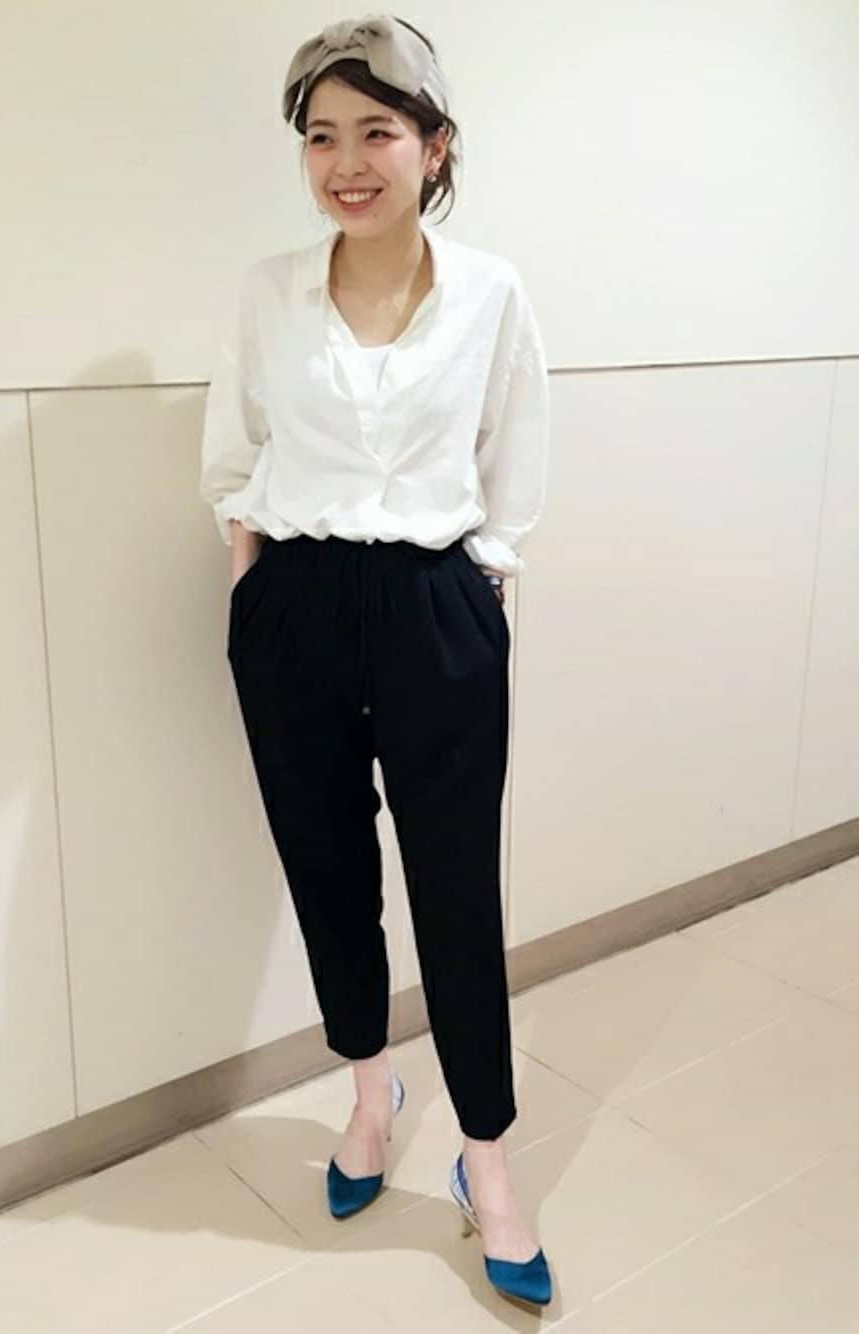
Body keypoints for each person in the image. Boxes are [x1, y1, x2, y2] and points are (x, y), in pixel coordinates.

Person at [199, 13, 552, 1311]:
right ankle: (368, 1092)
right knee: (327, 869)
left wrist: (477, 588)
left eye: (377, 131)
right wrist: (257, 580)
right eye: (322, 136)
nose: (347, 162)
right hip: (295, 602)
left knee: (457, 888)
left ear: (433, 146)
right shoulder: (268, 292)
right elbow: (232, 449)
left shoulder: (491, 292)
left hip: (433, 603)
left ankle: (487, 1159)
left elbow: (514, 457)